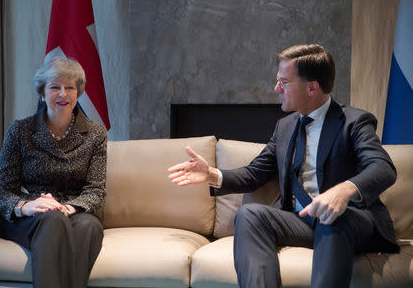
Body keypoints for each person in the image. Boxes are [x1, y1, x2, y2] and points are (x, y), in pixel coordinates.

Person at [168, 44, 399, 288]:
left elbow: (383, 167)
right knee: (249, 215)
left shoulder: (354, 122)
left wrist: (344, 190)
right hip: (299, 219)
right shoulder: (286, 126)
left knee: (334, 216)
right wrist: (212, 174)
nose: (276, 88)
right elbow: (256, 172)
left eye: (284, 82)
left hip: (349, 221)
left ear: (312, 87)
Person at [0, 57, 107, 288]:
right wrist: (27, 206)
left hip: (74, 211)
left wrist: (69, 207)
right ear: (42, 93)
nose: (63, 94)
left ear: (78, 93)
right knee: (52, 219)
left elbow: (96, 190)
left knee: (90, 226)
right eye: (55, 87)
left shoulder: (95, 134)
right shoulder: (21, 131)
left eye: (70, 87)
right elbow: (0, 192)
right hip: (28, 216)